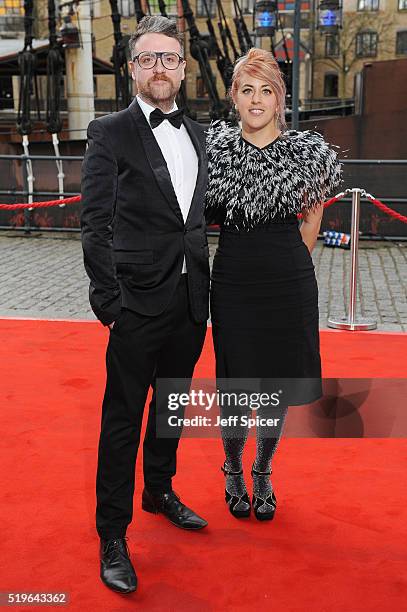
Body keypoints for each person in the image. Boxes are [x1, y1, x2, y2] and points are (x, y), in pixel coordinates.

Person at [81, 16, 210, 594]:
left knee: (172, 408)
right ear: (133, 68)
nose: (161, 67)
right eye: (150, 57)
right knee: (123, 418)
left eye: (171, 58)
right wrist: (110, 301)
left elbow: (201, 216)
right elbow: (94, 223)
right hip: (135, 303)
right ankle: (113, 532)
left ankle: (159, 489)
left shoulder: (202, 133)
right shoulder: (109, 131)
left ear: (183, 70)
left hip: (190, 300)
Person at [205, 48, 343, 522]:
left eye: (266, 90)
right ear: (234, 99)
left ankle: (262, 470)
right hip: (233, 282)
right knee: (237, 384)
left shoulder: (307, 153)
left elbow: (313, 219)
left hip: (288, 282)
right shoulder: (215, 153)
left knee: (275, 386)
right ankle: (231, 467)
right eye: (247, 90)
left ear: (280, 99)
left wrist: (288, 265)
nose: (257, 99)